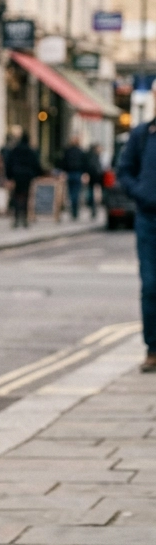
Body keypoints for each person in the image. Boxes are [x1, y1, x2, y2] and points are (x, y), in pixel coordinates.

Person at [117, 118, 156, 372]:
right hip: (149, 220)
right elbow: (124, 170)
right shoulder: (142, 134)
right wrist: (141, 193)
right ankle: (153, 349)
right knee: (151, 284)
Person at [4, 131, 42, 228]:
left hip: (17, 176)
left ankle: (16, 218)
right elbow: (36, 164)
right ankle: (24, 218)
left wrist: (9, 176)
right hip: (27, 176)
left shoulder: (15, 150)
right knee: (26, 197)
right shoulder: (31, 151)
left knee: (17, 197)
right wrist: (36, 174)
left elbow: (9, 163)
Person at [60, 135, 88, 219]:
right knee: (76, 192)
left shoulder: (67, 151)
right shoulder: (80, 151)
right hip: (77, 173)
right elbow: (84, 163)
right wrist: (84, 173)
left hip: (70, 173)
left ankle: (73, 209)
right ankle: (75, 209)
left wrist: (64, 172)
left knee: (71, 192)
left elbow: (63, 162)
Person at [86, 143, 103, 219]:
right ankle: (92, 207)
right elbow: (96, 168)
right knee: (93, 194)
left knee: (92, 193)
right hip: (94, 178)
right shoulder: (95, 156)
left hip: (92, 178)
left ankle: (93, 207)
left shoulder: (91, 156)